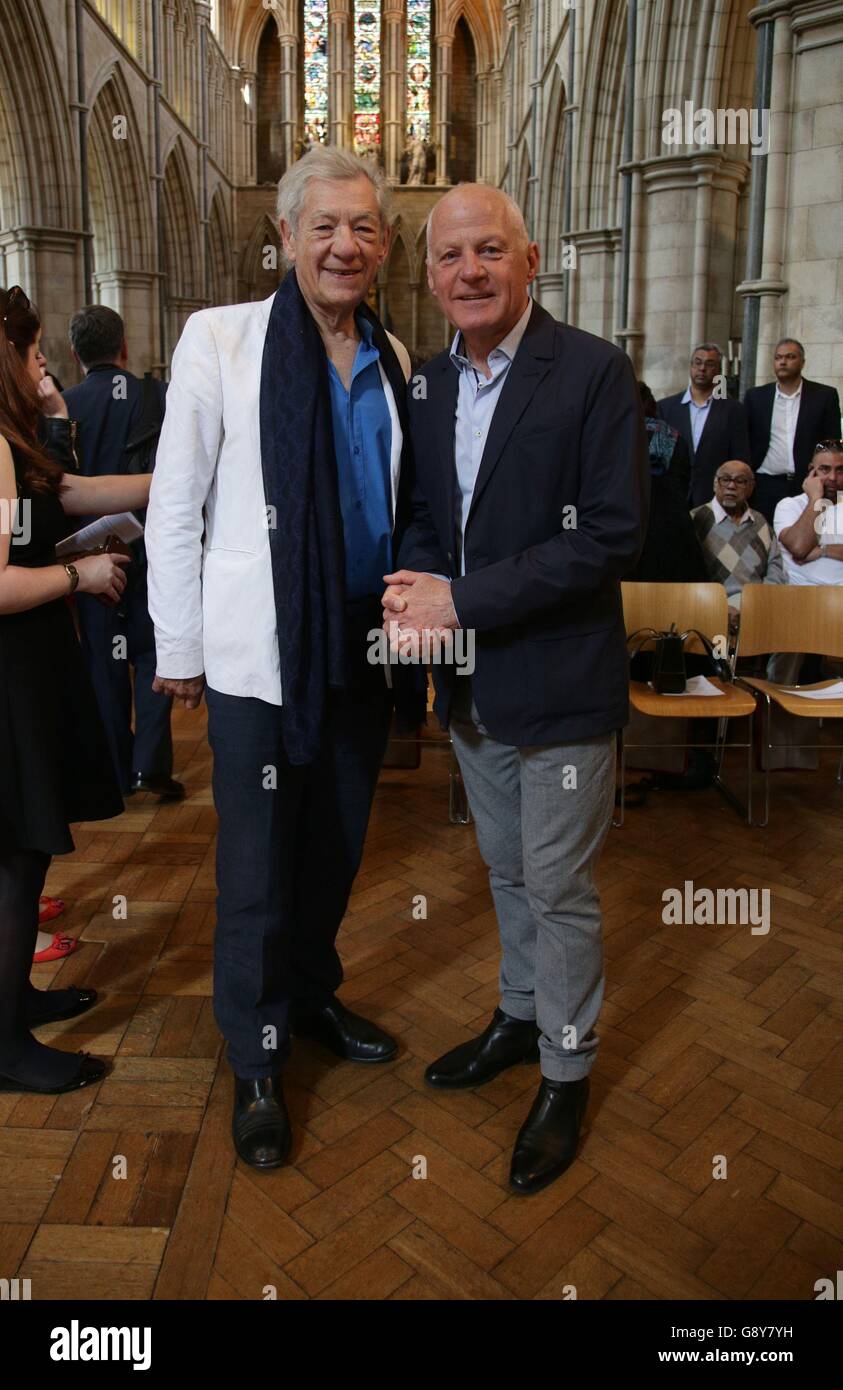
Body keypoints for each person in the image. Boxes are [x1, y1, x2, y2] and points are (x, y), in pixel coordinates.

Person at [146, 148, 425, 1171]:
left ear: (385, 244)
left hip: (362, 640)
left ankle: (310, 996)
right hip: (260, 655)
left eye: (363, 228)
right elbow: (175, 505)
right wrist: (175, 646)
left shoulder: (394, 354)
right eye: (325, 227)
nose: (345, 245)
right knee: (259, 863)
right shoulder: (220, 340)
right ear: (287, 237)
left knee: (336, 843)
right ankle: (257, 1055)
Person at [382, 185, 648, 1195]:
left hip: (565, 685)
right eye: (450, 257)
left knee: (558, 882)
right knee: (504, 868)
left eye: (490, 250)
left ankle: (567, 1070)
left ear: (531, 258)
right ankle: (521, 1012)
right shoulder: (431, 387)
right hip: (475, 690)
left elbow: (607, 538)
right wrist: (414, 587)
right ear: (432, 272)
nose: (469, 272)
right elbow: (423, 517)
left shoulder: (592, 371)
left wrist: (459, 599)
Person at [0, 284, 151, 1094]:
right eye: (30, 354)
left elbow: (69, 494)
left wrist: (171, 478)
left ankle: (13, 999)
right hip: (8, 678)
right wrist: (77, 571)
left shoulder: (11, 441)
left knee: (19, 855)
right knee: (14, 860)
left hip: (27, 668)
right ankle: (5, 1048)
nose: (43, 366)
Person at [61, 306, 179, 800]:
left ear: (75, 354)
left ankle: (115, 765)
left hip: (90, 558)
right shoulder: (155, 396)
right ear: (124, 346)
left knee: (104, 662)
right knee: (151, 654)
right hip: (148, 547)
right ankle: (149, 766)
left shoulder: (63, 406)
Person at [744, 338, 842, 522]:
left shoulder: (824, 396)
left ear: (802, 362)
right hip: (765, 483)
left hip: (807, 484)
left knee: (806, 536)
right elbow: (746, 440)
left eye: (790, 357)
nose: (783, 361)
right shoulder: (755, 397)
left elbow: (832, 443)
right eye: (778, 357)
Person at [630, 381, 708, 583]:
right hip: (673, 534)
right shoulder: (675, 437)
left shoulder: (616, 436)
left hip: (630, 531)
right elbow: (683, 484)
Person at [691, 460, 785, 629]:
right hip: (708, 609)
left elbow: (775, 567)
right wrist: (718, 608)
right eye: (725, 479)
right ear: (715, 483)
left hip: (757, 610)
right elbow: (688, 576)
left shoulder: (761, 522)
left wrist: (758, 605)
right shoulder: (696, 519)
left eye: (740, 481)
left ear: (750, 488)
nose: (731, 486)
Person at [658, 343, 750, 507]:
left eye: (709, 364)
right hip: (673, 497)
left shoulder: (733, 410)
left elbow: (740, 457)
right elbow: (659, 456)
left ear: (719, 370)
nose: (702, 368)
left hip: (715, 498)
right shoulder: (666, 408)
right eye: (698, 362)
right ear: (691, 366)